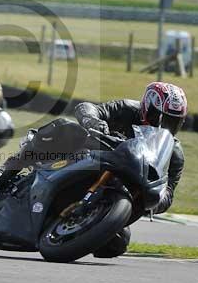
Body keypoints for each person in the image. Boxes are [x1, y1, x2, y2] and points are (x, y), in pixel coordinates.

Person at [73, 81, 188, 258]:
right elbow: (86, 107)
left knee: (117, 243)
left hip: (118, 192)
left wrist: (155, 197)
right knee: (63, 127)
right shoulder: (127, 109)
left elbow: (169, 193)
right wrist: (93, 121)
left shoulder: (174, 154)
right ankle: (15, 168)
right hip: (92, 161)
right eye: (161, 118)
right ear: (147, 108)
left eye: (173, 122)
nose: (165, 126)